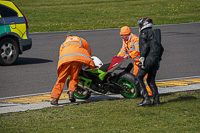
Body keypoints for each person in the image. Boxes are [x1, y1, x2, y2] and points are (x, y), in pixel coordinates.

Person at [50, 35, 95, 105]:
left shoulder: (64, 43)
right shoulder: (80, 40)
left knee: (61, 79)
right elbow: (88, 49)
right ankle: (71, 94)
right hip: (77, 59)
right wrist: (87, 60)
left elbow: (61, 55)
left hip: (66, 60)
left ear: (66, 38)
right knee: (74, 77)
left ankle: (55, 99)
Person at [117, 26, 152, 96]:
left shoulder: (135, 39)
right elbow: (123, 49)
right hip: (137, 62)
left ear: (127, 34)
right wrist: (118, 57)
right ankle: (139, 92)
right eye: (121, 35)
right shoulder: (125, 40)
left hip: (143, 61)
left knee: (144, 78)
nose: (121, 37)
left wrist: (129, 55)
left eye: (122, 35)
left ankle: (149, 94)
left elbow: (138, 50)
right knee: (135, 78)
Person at [136, 18, 164, 107]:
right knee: (150, 80)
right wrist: (158, 59)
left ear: (144, 25)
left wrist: (142, 58)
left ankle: (146, 99)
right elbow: (161, 48)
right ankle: (156, 100)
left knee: (139, 77)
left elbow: (145, 46)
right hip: (156, 60)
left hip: (148, 59)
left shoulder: (144, 33)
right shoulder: (155, 33)